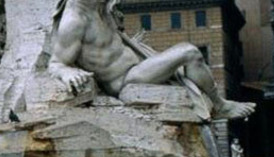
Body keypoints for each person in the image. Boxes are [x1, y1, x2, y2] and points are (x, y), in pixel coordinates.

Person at [48, 0, 255, 120]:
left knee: (185, 56)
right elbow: (56, 63)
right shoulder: (75, 20)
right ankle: (220, 106)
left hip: (138, 63)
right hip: (125, 79)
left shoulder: (100, 7)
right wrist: (67, 72)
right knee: (190, 52)